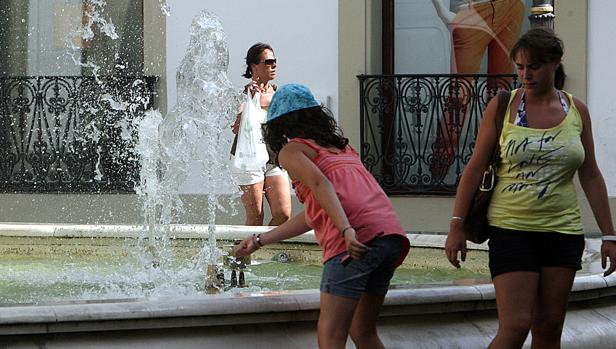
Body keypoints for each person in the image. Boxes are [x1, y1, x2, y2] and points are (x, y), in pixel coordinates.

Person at [445, 28, 616, 348]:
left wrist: (609, 235)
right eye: (520, 66)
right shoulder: (503, 105)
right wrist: (456, 225)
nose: (525, 74)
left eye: (534, 66)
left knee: (550, 325)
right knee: (516, 325)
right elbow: (475, 167)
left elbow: (590, 173)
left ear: (555, 63)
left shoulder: (576, 110)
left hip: (563, 231)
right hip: (511, 229)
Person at [232, 84, 410, 349]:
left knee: (330, 338)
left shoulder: (292, 151)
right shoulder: (342, 149)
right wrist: (260, 241)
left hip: (353, 240)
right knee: (363, 332)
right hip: (389, 238)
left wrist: (347, 230)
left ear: (279, 123)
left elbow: (320, 184)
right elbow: (314, 213)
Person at [429, 0, 525, 184]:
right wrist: (441, 11)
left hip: (509, 6)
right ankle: (436, 177)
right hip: (472, 11)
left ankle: (497, 175)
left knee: (500, 96)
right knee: (458, 99)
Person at [231, 43, 291, 226]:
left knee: (283, 214)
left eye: (275, 62)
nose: (274, 66)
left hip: (274, 155)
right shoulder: (243, 94)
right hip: (249, 157)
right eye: (269, 62)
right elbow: (235, 127)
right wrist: (251, 101)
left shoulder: (279, 93)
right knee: (256, 216)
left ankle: (257, 246)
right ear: (254, 66)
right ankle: (239, 253)